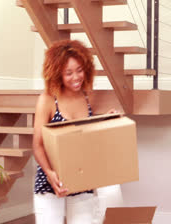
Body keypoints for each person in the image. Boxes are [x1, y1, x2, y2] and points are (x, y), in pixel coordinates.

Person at [33, 39, 122, 224]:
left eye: (80, 70)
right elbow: (38, 145)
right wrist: (50, 173)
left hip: (80, 179)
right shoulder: (48, 99)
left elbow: (85, 137)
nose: (76, 77)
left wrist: (106, 120)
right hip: (51, 180)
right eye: (69, 73)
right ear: (57, 73)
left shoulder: (86, 96)